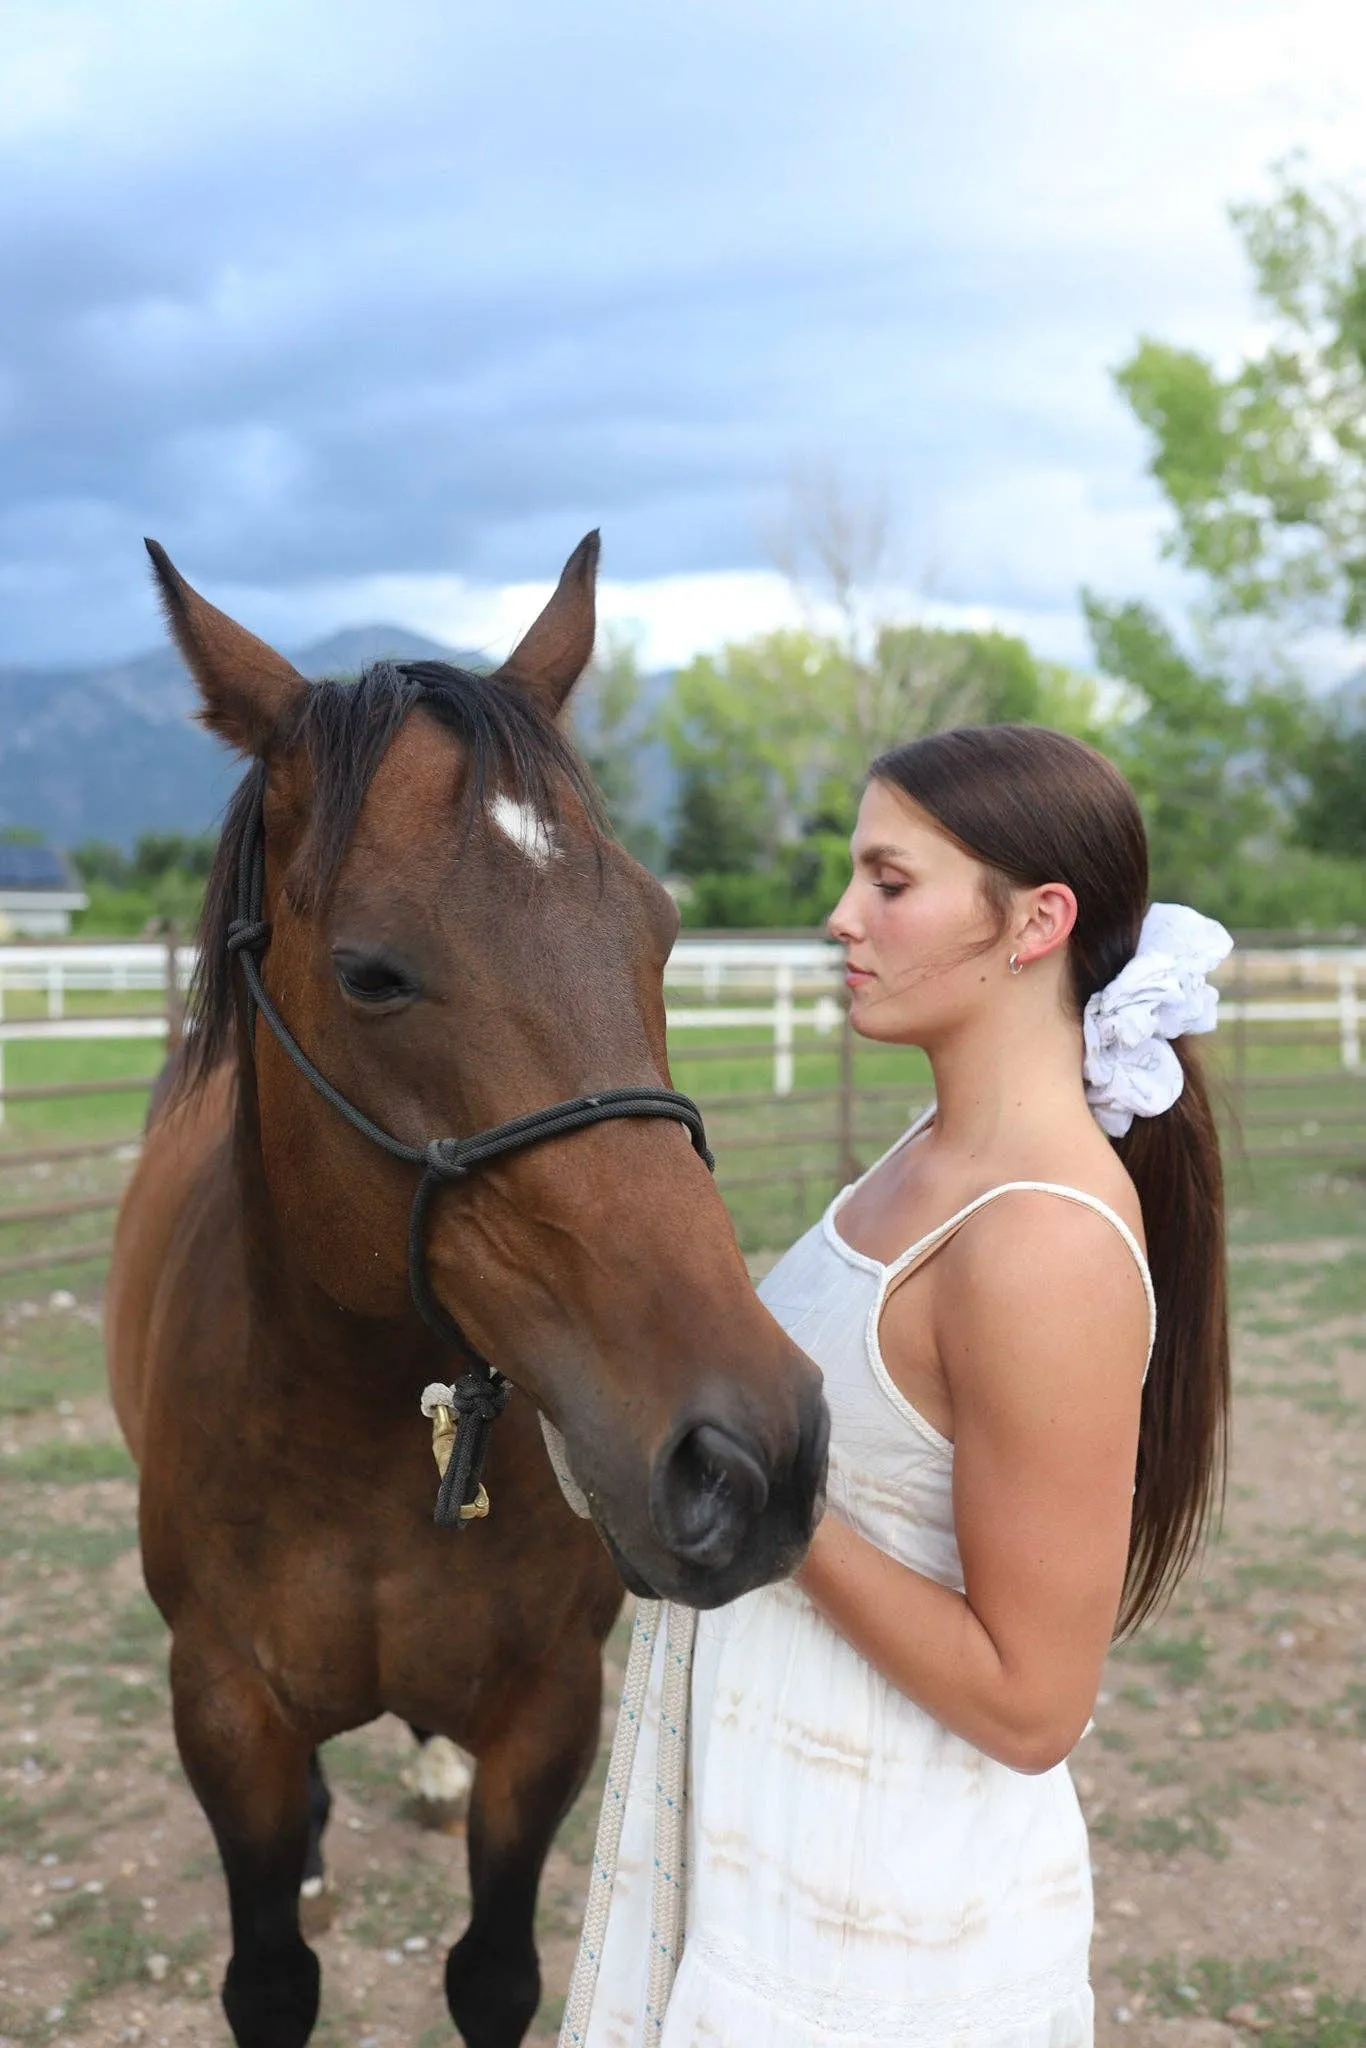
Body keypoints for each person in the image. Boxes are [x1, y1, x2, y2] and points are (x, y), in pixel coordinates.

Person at [561, 723, 1232, 2048]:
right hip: (773, 1844)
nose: (838, 917)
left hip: (884, 1931)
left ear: (1035, 920)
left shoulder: (1038, 1241)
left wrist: (774, 1511)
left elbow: (1033, 1705)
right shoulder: (924, 1154)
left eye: (887, 880)